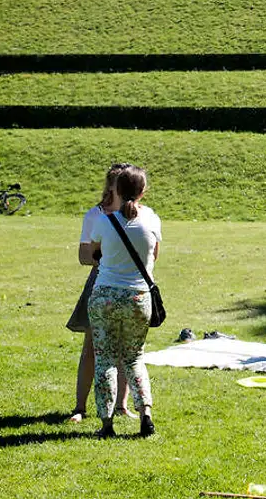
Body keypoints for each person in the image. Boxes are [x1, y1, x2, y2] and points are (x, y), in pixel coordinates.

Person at [87, 164, 160, 438]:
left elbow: (95, 253)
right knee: (134, 358)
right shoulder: (152, 221)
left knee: (105, 358)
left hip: (105, 294)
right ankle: (146, 415)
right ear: (144, 191)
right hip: (138, 297)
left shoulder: (103, 222)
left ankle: (106, 423)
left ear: (115, 190)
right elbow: (154, 258)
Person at [68, 166, 132, 424]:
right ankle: (80, 408)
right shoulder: (95, 216)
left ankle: (122, 406)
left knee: (125, 351)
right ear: (112, 187)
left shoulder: (137, 214)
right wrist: (109, 257)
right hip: (101, 282)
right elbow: (84, 256)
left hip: (128, 283)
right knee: (91, 348)